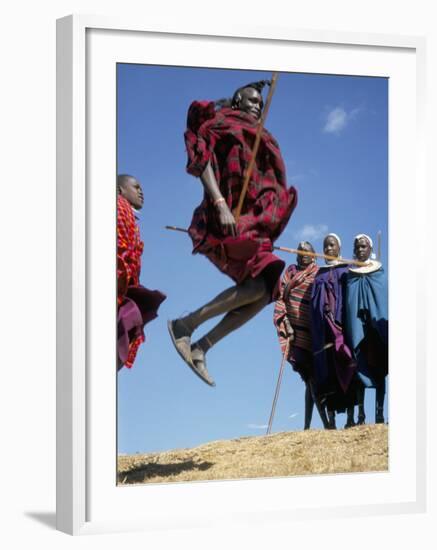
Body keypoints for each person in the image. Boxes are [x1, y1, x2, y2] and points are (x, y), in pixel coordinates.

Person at [168, 80, 297, 386]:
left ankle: (199, 345)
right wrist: (220, 202)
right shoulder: (221, 124)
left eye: (260, 104)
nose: (257, 106)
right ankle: (186, 325)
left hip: (253, 221)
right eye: (251, 100)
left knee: (264, 292)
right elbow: (202, 161)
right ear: (238, 100)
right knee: (263, 281)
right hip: (227, 216)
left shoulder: (262, 136)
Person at [273, 241, 329, 429]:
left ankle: (308, 425)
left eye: (307, 252)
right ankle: (324, 423)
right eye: (300, 252)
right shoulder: (289, 273)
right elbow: (280, 299)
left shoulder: (319, 274)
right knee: (309, 377)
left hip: (315, 333)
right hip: (295, 334)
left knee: (311, 381)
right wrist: (286, 323)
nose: (303, 254)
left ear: (314, 255)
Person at [117, 174, 166, 371]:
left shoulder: (128, 214)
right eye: (136, 187)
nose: (141, 191)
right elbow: (119, 250)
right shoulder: (119, 207)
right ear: (120, 190)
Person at [310, 233, 358, 429]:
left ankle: (350, 417)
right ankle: (331, 420)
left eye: (332, 246)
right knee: (327, 373)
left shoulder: (348, 269)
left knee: (348, 366)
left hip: (343, 328)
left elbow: (352, 297)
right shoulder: (319, 274)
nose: (328, 249)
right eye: (325, 246)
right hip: (324, 332)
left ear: (339, 248)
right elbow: (313, 303)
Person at [345, 234, 388, 424]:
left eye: (363, 247)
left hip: (375, 330)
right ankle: (361, 414)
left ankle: (379, 413)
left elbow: (383, 299)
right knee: (358, 369)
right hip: (358, 329)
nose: (360, 250)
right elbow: (348, 302)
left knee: (379, 369)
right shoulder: (350, 275)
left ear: (370, 249)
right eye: (357, 247)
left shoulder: (379, 273)